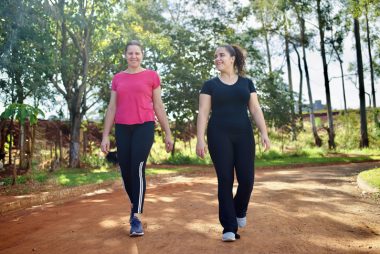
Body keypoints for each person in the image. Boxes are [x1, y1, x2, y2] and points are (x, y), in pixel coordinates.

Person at [196, 44, 270, 242]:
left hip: (244, 135)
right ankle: (229, 227)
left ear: (232, 58)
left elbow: (255, 109)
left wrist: (264, 132)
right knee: (225, 180)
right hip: (218, 135)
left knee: (247, 180)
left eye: (221, 55)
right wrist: (200, 139)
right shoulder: (209, 85)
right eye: (215, 56)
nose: (217, 59)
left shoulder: (246, 83)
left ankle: (239, 209)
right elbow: (203, 112)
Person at [101, 40, 173, 237]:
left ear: (142, 55)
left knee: (138, 167)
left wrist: (168, 133)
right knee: (126, 170)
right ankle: (135, 206)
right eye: (130, 53)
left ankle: (136, 216)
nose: (134, 56)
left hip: (144, 126)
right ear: (125, 55)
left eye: (137, 53)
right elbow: (112, 107)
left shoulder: (151, 76)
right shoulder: (118, 78)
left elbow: (158, 106)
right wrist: (105, 135)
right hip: (123, 128)